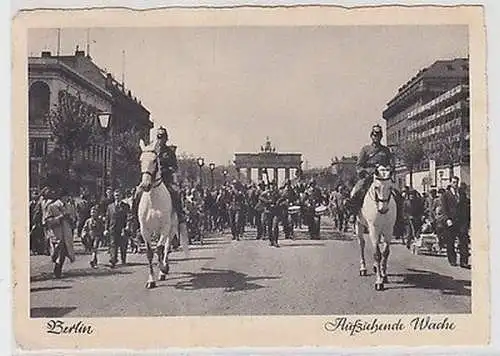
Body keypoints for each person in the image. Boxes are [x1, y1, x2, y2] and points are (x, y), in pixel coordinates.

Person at [348, 124, 403, 232]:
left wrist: (389, 169)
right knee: (357, 191)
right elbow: (359, 165)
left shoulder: (385, 150)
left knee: (397, 194)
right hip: (369, 177)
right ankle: (353, 215)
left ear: (381, 137)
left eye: (378, 135)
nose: (376, 137)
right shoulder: (365, 149)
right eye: (374, 135)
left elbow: (391, 164)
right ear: (371, 136)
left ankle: (399, 218)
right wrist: (365, 171)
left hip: (383, 177)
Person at [133, 126, 186, 226]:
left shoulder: (169, 152)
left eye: (162, 137)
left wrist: (167, 169)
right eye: (158, 136)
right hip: (150, 178)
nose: (160, 139)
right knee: (137, 193)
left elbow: (175, 167)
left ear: (166, 138)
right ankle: (134, 218)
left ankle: (180, 214)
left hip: (165, 179)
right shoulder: (150, 149)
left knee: (175, 192)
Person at [105, 189, 130, 268]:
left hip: (122, 229)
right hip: (112, 228)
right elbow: (107, 219)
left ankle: (123, 259)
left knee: (123, 245)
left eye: (118, 195)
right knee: (113, 245)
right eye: (116, 195)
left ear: (121, 196)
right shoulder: (110, 206)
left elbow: (128, 217)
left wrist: (127, 226)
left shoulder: (125, 206)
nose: (117, 197)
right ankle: (113, 260)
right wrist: (106, 229)